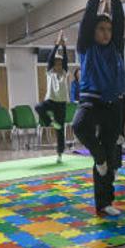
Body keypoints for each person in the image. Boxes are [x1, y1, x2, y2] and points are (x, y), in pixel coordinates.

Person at [72, 0, 125, 216]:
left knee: (110, 158)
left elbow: (120, 21)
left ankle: (105, 203)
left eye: (108, 29)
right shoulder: (86, 47)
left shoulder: (116, 47)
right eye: (101, 29)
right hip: (91, 102)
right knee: (80, 125)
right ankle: (99, 155)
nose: (106, 33)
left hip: (114, 104)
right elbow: (86, 21)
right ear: (93, 32)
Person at [35, 30, 70, 163]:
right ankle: (50, 122)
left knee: (60, 131)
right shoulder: (50, 72)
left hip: (61, 104)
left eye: (60, 64)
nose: (58, 65)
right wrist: (56, 45)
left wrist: (64, 46)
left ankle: (60, 154)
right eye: (56, 64)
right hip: (50, 100)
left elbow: (65, 59)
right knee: (38, 107)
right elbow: (50, 59)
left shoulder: (65, 73)